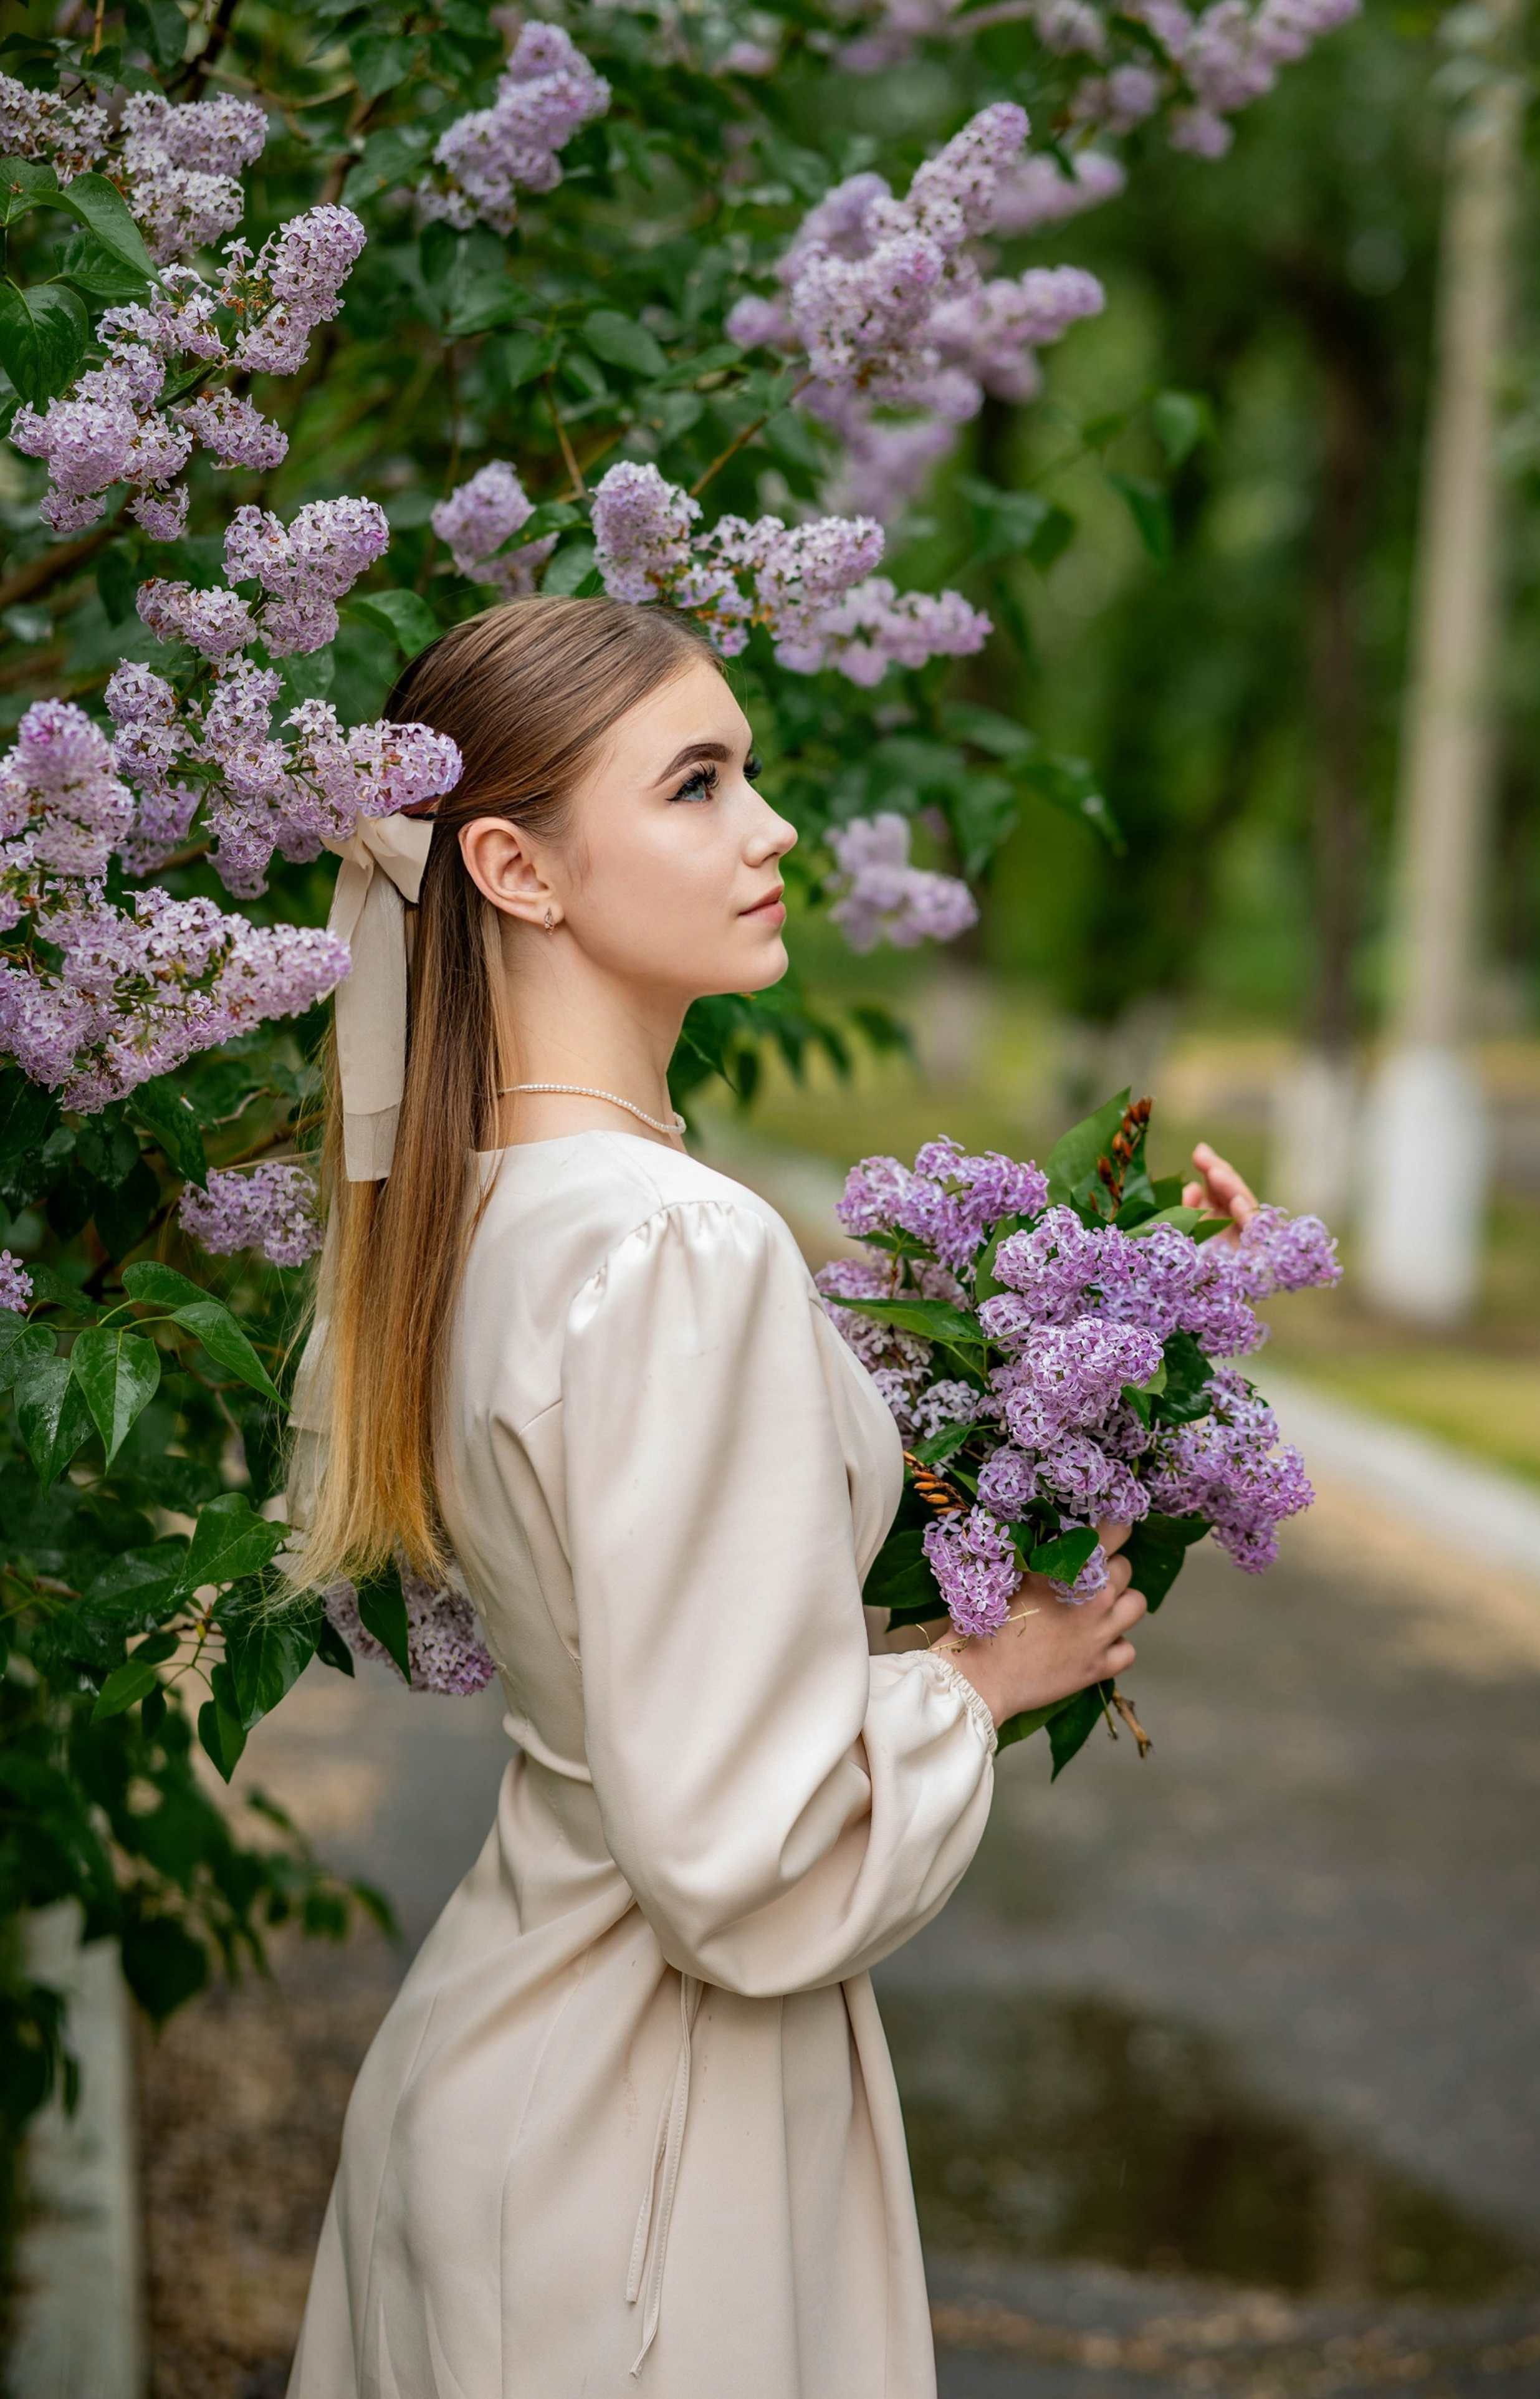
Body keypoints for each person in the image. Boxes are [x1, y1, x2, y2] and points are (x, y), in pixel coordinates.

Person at [284, 595, 1258, 2399]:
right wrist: (982, 1679)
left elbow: (698, 1624)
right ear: (515, 865)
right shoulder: (673, 1245)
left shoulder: (483, 1213)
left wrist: (1127, 1293)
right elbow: (742, 1858)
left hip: (508, 2069)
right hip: (646, 2145)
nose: (775, 826)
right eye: (700, 782)